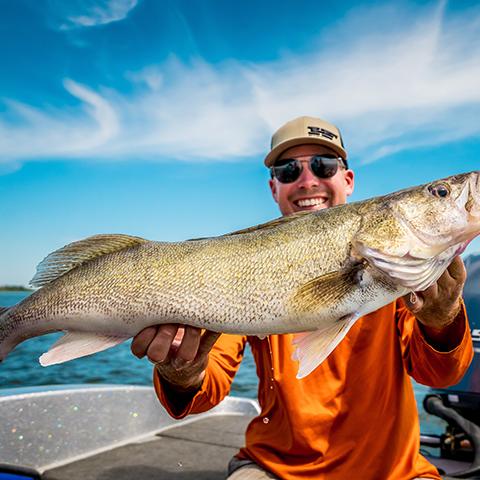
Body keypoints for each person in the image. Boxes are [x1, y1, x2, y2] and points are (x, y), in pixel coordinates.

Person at [131, 116, 474, 479]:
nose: (308, 180)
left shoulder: (401, 268)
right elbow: (206, 390)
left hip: (393, 471)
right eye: (288, 170)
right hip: (275, 468)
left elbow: (439, 373)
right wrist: (182, 370)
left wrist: (443, 319)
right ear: (273, 188)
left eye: (324, 166)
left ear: (348, 179)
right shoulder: (245, 266)